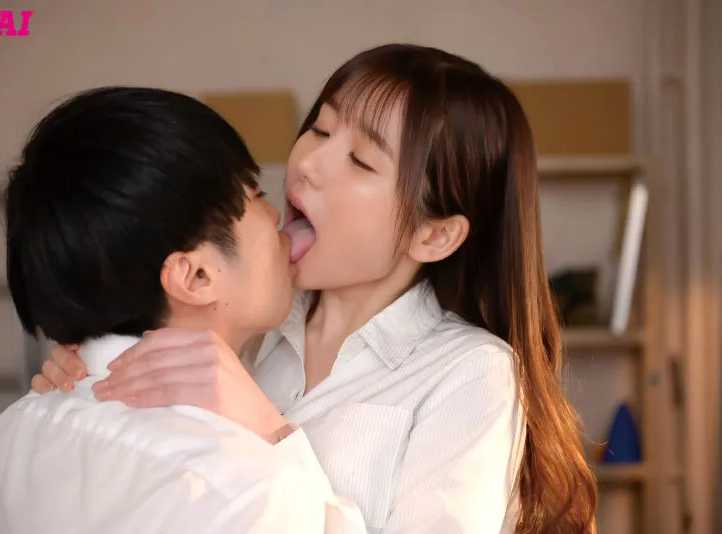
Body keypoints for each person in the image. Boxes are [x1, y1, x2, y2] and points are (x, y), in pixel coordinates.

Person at [32, 44, 599, 533]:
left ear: (434, 234)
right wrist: (94, 369)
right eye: (320, 129)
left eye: (360, 161)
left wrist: (267, 428)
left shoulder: (471, 373)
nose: (307, 164)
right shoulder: (251, 320)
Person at [0, 87, 365, 534]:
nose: (276, 215)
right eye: (256, 195)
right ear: (196, 276)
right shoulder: (251, 490)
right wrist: (274, 436)